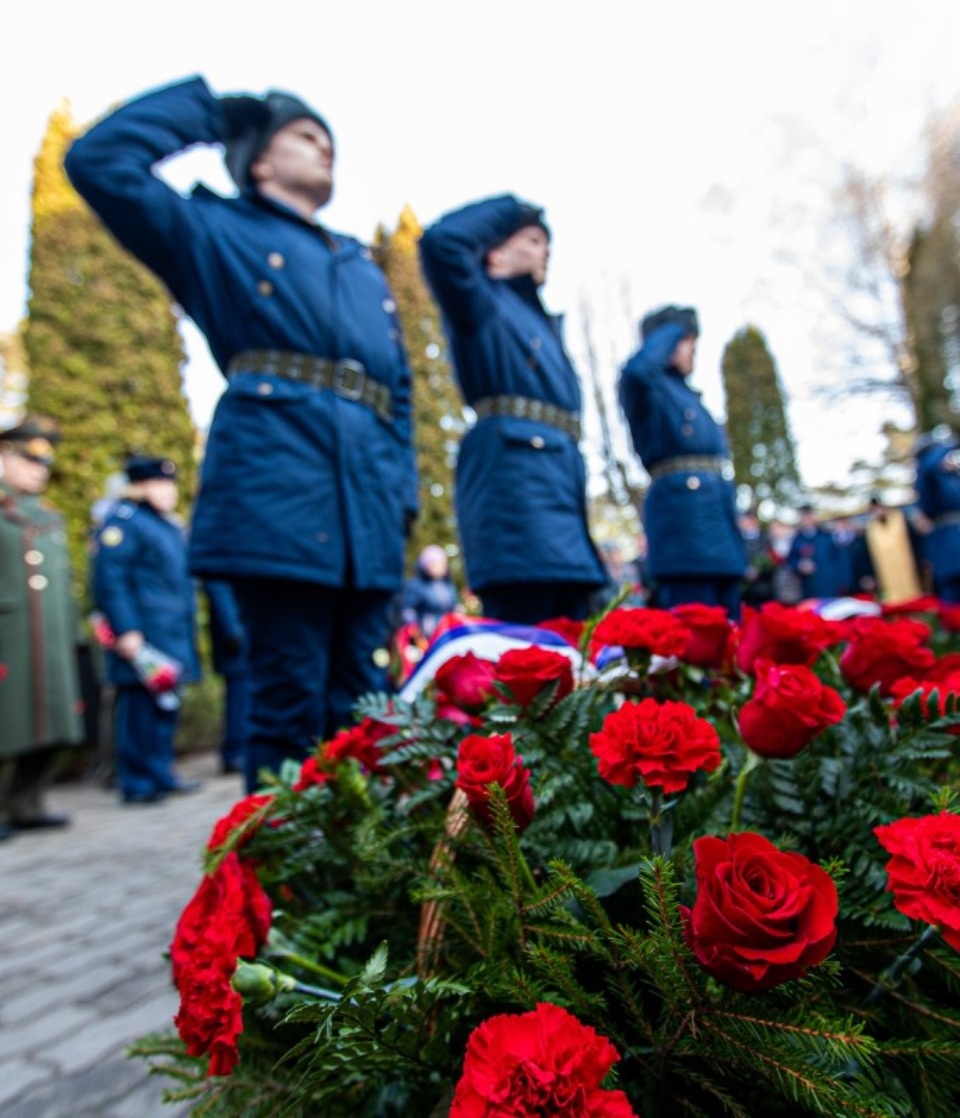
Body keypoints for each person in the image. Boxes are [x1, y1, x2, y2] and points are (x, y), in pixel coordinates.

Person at [66, 77, 419, 790]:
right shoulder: (217, 232)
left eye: (331, 142)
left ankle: (360, 885)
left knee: (363, 705)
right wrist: (212, 113)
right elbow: (99, 162)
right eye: (304, 135)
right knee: (287, 704)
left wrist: (403, 496)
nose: (325, 149)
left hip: (369, 503)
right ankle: (288, 889)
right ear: (257, 159)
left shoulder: (359, 265)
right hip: (279, 487)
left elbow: (400, 392)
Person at [419, 195, 605, 625]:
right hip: (516, 496)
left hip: (561, 493)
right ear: (497, 250)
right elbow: (442, 243)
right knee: (525, 635)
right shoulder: (481, 302)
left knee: (575, 644)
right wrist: (515, 209)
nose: (546, 252)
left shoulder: (539, 319)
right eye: (534, 239)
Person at [618, 305, 746, 615]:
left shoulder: (688, 394)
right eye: (689, 343)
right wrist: (675, 329)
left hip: (720, 529)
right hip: (686, 537)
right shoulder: (648, 388)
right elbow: (638, 371)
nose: (693, 353)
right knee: (694, 625)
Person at [92, 456, 200, 804]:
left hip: (169, 631)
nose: (168, 491)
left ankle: (160, 772)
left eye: (169, 484)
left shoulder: (164, 525)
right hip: (143, 633)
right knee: (139, 708)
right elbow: (112, 581)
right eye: (159, 484)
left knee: (164, 707)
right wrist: (126, 629)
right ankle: (136, 781)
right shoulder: (123, 522)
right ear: (138, 487)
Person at [0, 417, 83, 838]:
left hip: (47, 641)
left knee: (51, 723)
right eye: (29, 460)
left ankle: (27, 803)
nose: (39, 470)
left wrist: (74, 636)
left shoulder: (48, 517)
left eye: (44, 462)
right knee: (8, 723)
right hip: (9, 641)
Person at [203, 579, 250, 776]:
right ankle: (235, 752)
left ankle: (240, 750)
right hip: (237, 640)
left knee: (245, 696)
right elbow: (218, 585)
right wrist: (234, 630)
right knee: (239, 696)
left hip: (245, 631)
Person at [914, 426, 960, 602]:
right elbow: (931, 464)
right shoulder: (925, 472)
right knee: (953, 586)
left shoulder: (949, 475)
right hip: (947, 538)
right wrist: (949, 444)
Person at [786, 503, 843, 600]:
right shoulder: (796, 539)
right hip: (808, 588)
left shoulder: (827, 536)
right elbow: (791, 560)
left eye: (809, 515)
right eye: (804, 516)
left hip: (829, 586)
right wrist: (800, 565)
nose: (807, 519)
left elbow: (839, 560)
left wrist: (842, 582)